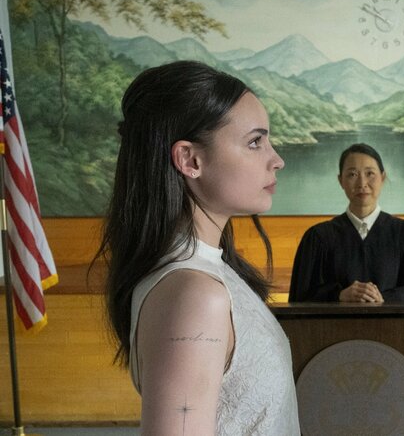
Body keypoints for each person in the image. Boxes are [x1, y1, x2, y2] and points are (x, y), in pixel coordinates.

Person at [96, 60, 300, 435]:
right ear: (190, 160)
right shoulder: (195, 294)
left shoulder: (207, 275)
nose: (277, 160)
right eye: (255, 142)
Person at [289, 143, 404, 303]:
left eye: (370, 173)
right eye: (352, 174)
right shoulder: (318, 237)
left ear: (382, 177)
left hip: (394, 321)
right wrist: (339, 295)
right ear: (340, 181)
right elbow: (300, 301)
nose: (362, 183)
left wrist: (384, 300)